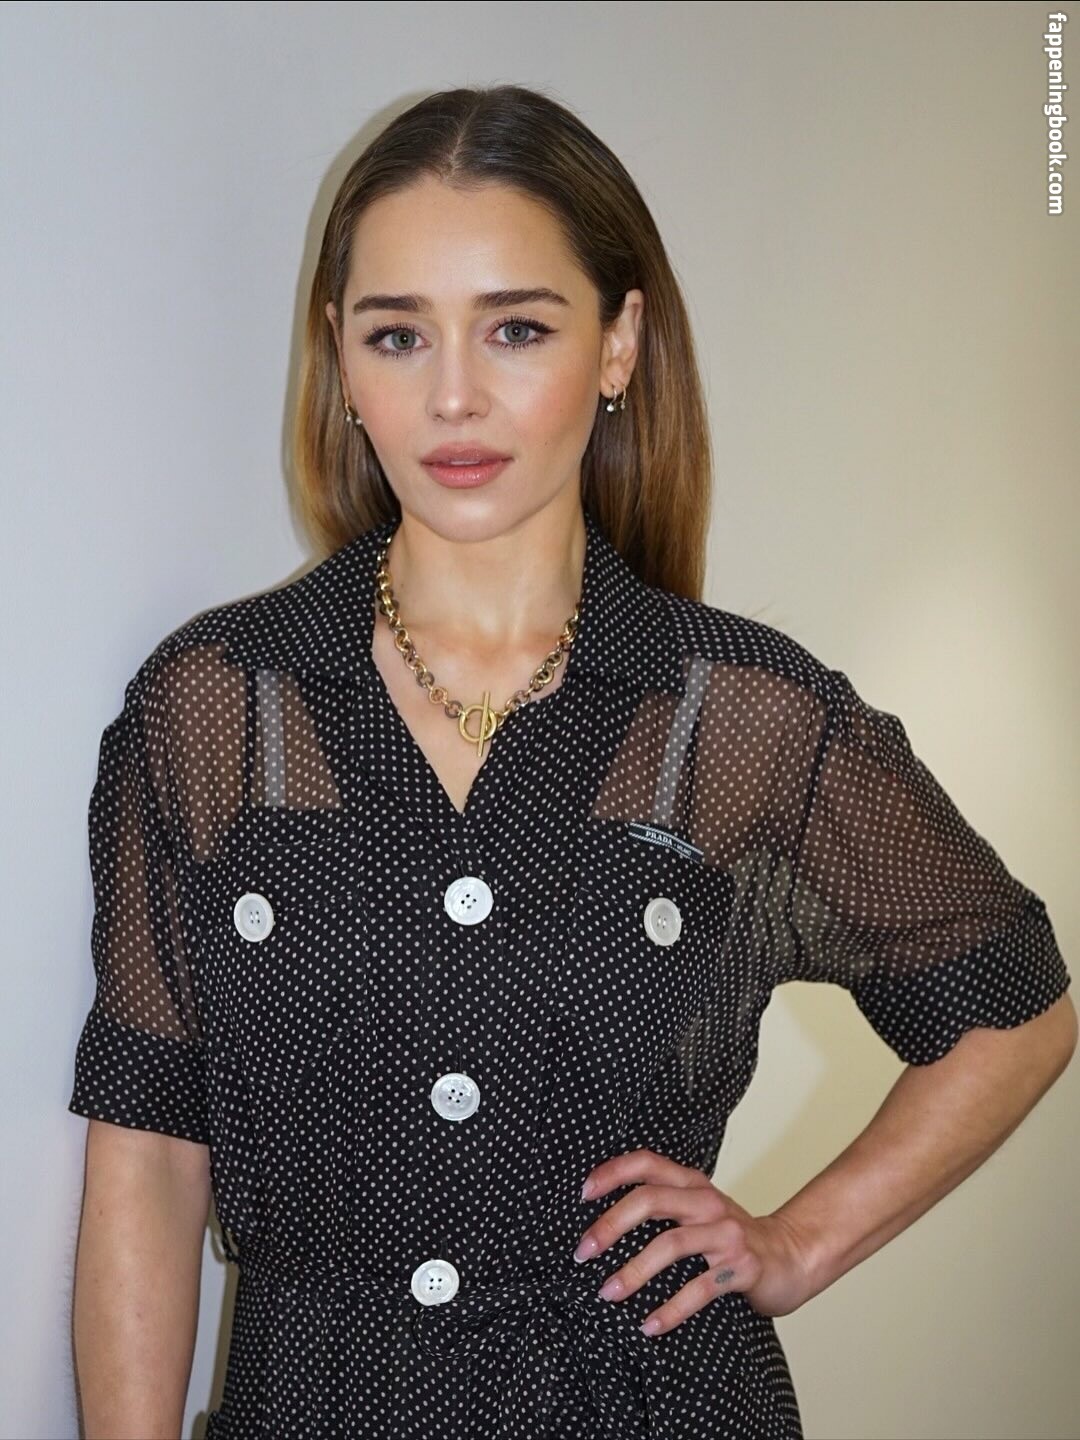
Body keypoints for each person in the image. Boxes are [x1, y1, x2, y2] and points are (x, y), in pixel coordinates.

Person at [67, 83, 1075, 1440]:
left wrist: (798, 1241)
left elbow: (1015, 1007)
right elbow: (147, 1150)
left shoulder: (743, 717)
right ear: (340, 360)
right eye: (397, 335)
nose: (454, 395)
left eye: (517, 329)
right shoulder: (213, 707)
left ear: (619, 344)